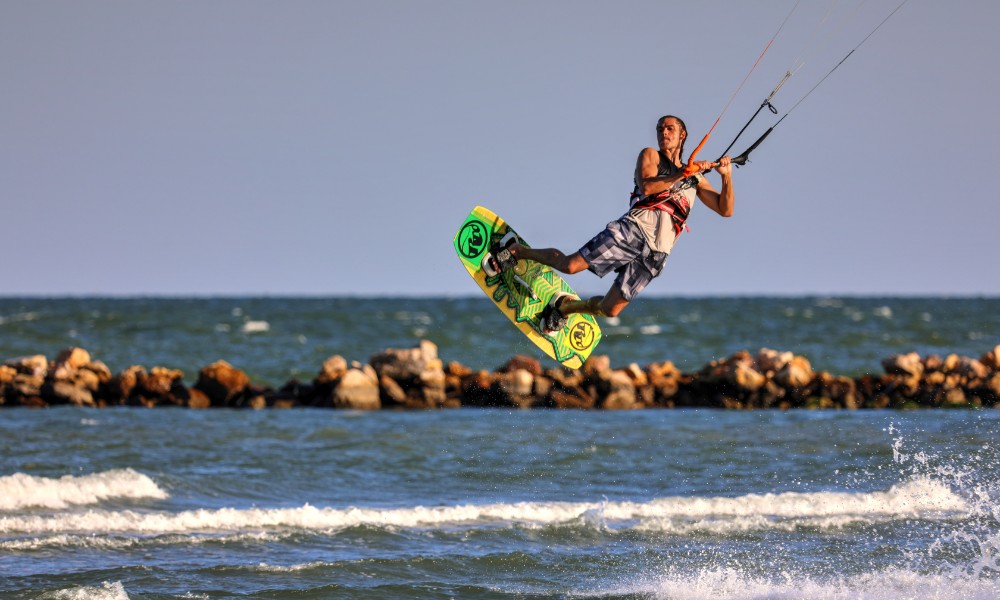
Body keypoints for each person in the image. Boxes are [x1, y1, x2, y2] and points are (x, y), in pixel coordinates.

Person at [483, 115, 734, 332]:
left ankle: (566, 307)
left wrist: (726, 177)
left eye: (669, 128)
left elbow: (725, 210)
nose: (663, 133)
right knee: (570, 266)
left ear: (683, 135)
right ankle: (517, 251)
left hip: (657, 253)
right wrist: (682, 174)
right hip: (632, 231)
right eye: (660, 128)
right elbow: (647, 186)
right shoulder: (651, 156)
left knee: (610, 310)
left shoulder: (697, 179)